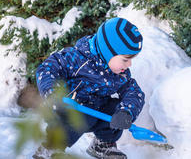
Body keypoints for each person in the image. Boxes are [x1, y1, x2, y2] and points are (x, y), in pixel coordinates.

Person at [33, 17, 146, 159]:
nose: (129, 64)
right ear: (108, 52)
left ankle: (103, 144)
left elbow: (134, 91)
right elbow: (48, 68)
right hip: (66, 108)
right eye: (125, 59)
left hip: (95, 110)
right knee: (81, 117)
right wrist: (52, 93)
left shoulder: (119, 73)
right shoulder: (76, 59)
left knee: (115, 108)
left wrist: (127, 111)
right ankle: (50, 148)